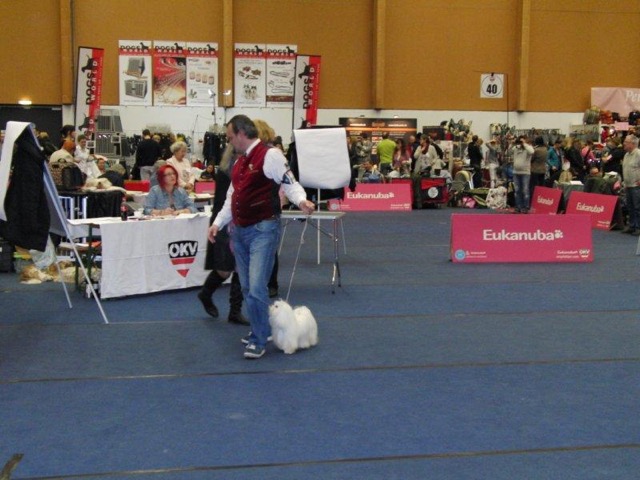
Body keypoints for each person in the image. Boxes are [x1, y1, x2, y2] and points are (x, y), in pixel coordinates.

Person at [208, 115, 315, 359]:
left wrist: (301, 200)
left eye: (230, 137)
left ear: (241, 134)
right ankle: (263, 329)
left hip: (262, 230)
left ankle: (258, 340)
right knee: (247, 287)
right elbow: (232, 197)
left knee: (256, 287)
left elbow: (290, 183)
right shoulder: (239, 162)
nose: (229, 142)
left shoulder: (271, 155)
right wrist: (217, 223)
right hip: (240, 231)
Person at [198, 144, 249, 326]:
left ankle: (235, 311)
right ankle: (206, 293)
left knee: (239, 266)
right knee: (224, 269)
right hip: (225, 222)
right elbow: (226, 202)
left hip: (238, 221)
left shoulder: (237, 169)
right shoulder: (228, 172)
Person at [621, 135, 640, 235]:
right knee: (630, 207)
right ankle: (632, 225)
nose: (624, 143)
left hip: (636, 186)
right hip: (628, 185)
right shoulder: (626, 155)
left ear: (633, 144)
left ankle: (638, 227)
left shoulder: (638, 154)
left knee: (637, 207)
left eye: (626, 142)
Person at [511, 135, 534, 213]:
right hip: (515, 172)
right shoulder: (516, 148)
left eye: (522, 141)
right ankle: (518, 207)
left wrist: (524, 144)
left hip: (525, 172)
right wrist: (513, 143)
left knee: (525, 190)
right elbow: (510, 150)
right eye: (519, 141)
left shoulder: (529, 148)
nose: (520, 143)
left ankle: (525, 207)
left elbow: (532, 151)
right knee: (517, 190)